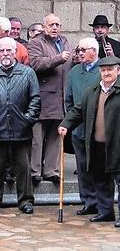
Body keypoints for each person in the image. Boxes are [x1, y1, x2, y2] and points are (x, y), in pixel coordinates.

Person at [0, 37, 40, 214]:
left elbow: (35, 98)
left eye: (9, 51)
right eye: (2, 51)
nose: (6, 54)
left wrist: (28, 119)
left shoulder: (27, 73)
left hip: (21, 129)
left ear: (15, 52)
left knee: (24, 168)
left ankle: (26, 201)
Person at [59, 56, 120, 228]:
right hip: (96, 143)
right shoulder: (93, 90)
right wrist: (65, 124)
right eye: (103, 70)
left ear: (118, 70)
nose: (106, 73)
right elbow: (78, 110)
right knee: (100, 179)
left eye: (110, 69)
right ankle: (105, 212)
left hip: (117, 144)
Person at [28, 13, 73, 184]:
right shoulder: (36, 42)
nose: (55, 28)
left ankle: (51, 171)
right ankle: (34, 172)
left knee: (56, 138)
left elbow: (68, 65)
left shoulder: (65, 41)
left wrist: (73, 59)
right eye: (51, 25)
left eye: (57, 25)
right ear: (44, 26)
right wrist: (58, 58)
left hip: (60, 99)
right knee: (37, 139)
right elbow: (35, 64)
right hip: (43, 98)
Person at [64, 37, 100, 216]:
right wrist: (73, 122)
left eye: (82, 50)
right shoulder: (74, 72)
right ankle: (88, 201)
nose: (79, 54)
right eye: (78, 51)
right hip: (79, 127)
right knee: (83, 166)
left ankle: (102, 203)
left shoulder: (104, 70)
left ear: (93, 50)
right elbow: (68, 100)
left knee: (99, 167)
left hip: (99, 128)